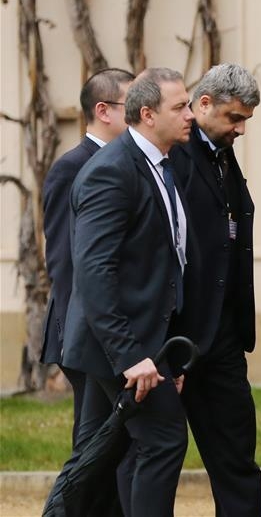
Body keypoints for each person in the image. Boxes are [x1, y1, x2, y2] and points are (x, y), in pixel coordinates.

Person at [56, 67, 194, 517]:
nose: (191, 114)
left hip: (140, 344)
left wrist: (163, 355)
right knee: (164, 439)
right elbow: (94, 272)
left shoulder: (161, 164)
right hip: (117, 347)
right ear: (148, 115)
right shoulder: (112, 171)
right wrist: (132, 356)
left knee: (97, 456)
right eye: (181, 107)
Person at [168, 63, 261, 516]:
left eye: (245, 119)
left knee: (237, 456)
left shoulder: (222, 151)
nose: (241, 128)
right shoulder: (173, 154)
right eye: (234, 118)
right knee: (153, 457)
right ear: (202, 104)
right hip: (176, 336)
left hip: (222, 336)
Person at [41, 67, 135, 516]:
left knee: (109, 443)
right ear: (104, 111)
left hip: (108, 332)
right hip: (84, 332)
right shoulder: (72, 167)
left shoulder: (126, 163)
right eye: (131, 104)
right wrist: (88, 332)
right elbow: (65, 262)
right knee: (94, 445)